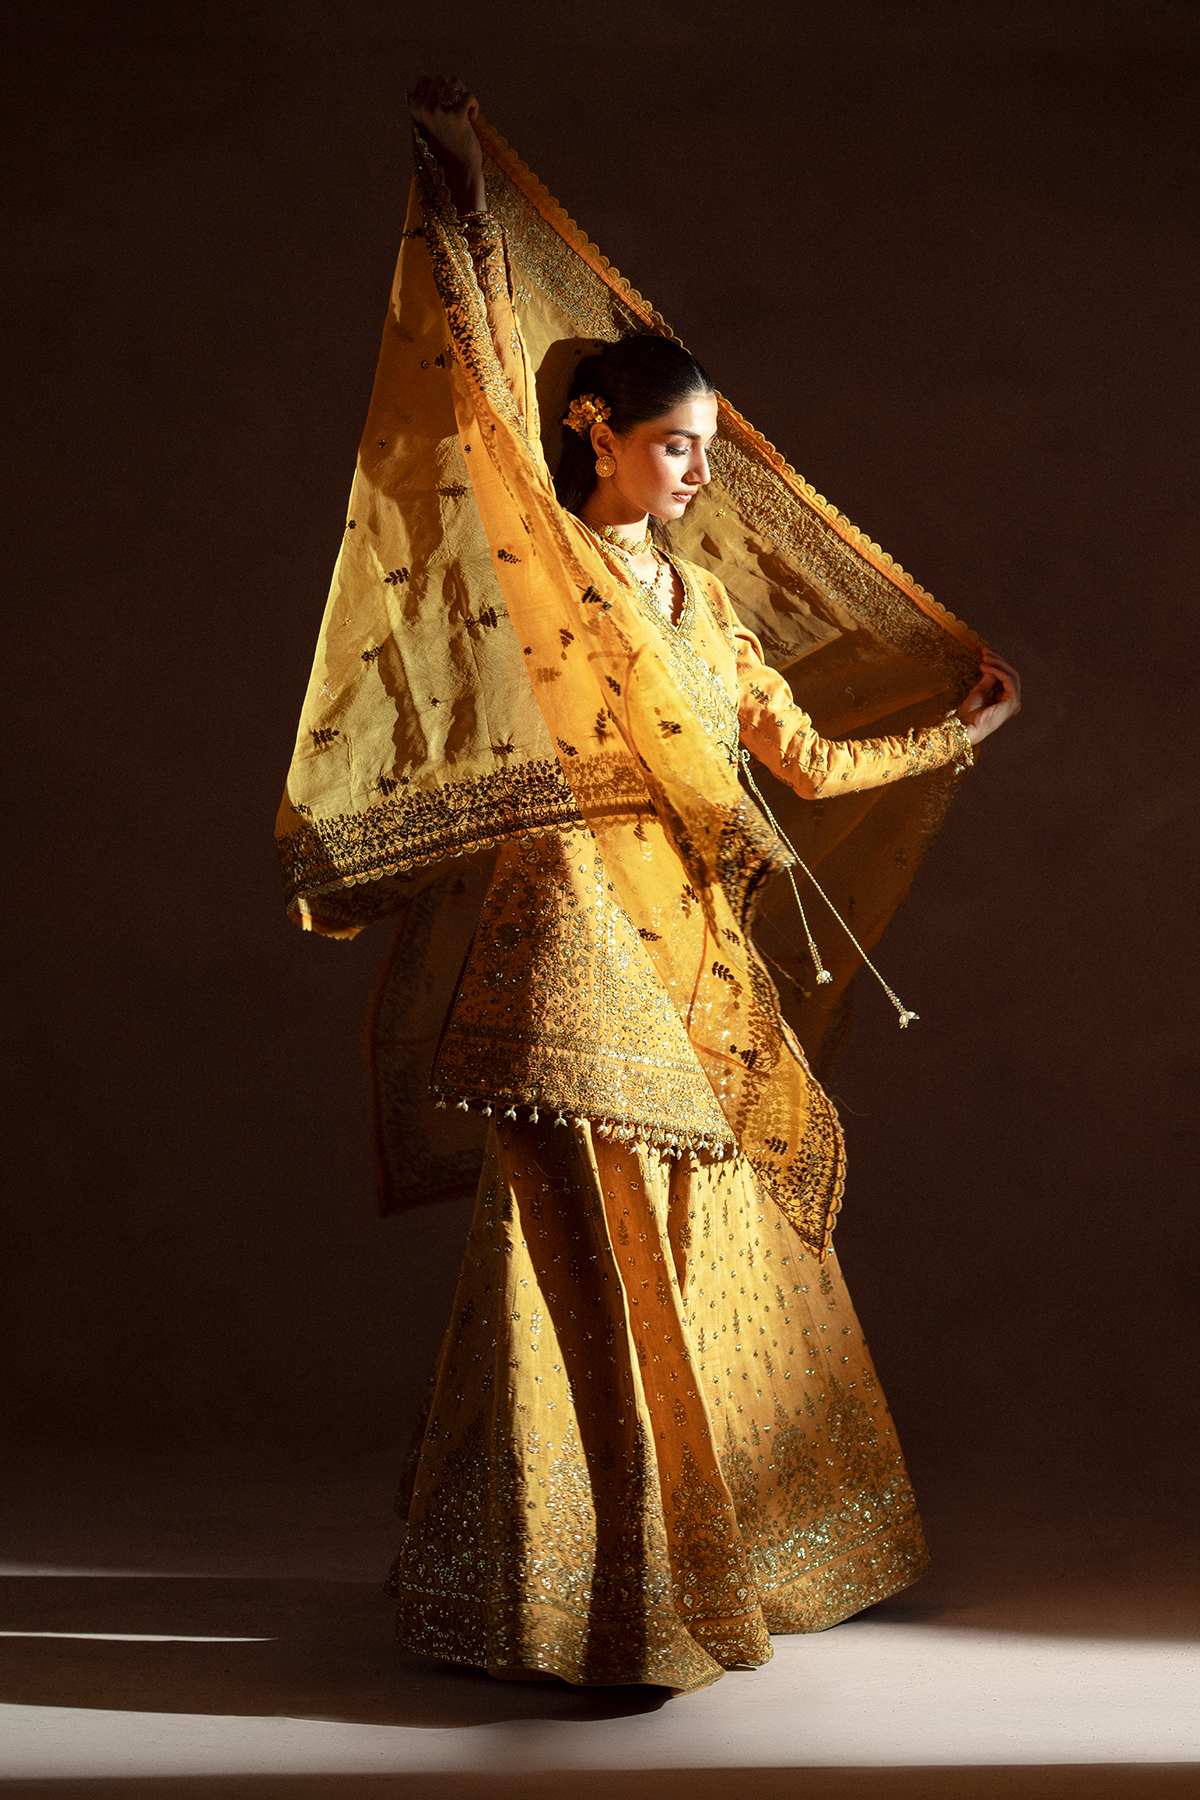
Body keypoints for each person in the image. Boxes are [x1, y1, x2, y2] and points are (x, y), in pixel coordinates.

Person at [281, 74, 1020, 1694]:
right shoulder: (546, 563)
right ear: (594, 435)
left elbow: (804, 766)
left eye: (705, 449)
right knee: (580, 1248)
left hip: (686, 946)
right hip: (564, 941)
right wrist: (462, 186)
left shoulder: (703, 610)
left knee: (706, 1239)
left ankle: (704, 1558)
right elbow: (478, 385)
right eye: (675, 446)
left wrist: (953, 739)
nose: (696, 473)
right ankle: (599, 1602)